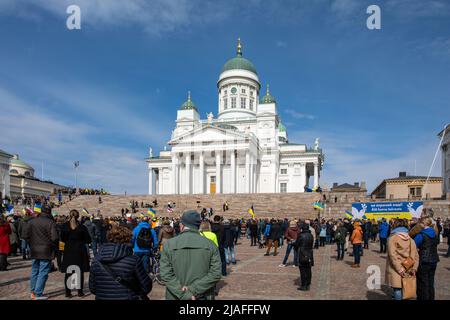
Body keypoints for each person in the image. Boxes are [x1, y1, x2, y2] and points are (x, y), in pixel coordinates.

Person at [160, 210, 222, 300]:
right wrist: (193, 290)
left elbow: (165, 274)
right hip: (202, 295)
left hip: (176, 295)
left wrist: (184, 294)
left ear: (182, 225)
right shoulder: (210, 245)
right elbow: (215, 274)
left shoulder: (169, 244)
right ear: (198, 226)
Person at [89, 225, 152, 300]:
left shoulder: (96, 260)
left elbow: (92, 288)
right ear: (128, 239)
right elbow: (146, 286)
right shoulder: (133, 260)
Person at [24, 204, 59, 300]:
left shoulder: (32, 221)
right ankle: (37, 293)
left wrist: (31, 243)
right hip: (46, 250)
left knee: (35, 270)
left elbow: (25, 235)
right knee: (43, 271)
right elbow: (55, 238)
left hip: (35, 249)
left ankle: (33, 292)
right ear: (49, 212)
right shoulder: (51, 222)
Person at [60, 210, 91, 298]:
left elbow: (62, 239)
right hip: (79, 250)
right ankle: (80, 292)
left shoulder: (65, 226)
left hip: (69, 250)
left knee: (69, 271)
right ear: (78, 216)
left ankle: (68, 292)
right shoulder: (82, 227)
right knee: (79, 271)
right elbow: (88, 240)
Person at [386, 219, 419, 300]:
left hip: (396, 267)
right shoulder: (411, 239)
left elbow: (392, 255)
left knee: (397, 289)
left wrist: (399, 269)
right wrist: (414, 268)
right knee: (405, 288)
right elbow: (416, 255)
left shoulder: (393, 238)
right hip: (408, 266)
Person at [413, 217, 440, 300]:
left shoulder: (421, 235)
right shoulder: (435, 233)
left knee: (422, 283)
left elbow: (414, 245)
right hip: (434, 260)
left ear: (423, 224)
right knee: (431, 282)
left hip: (423, 260)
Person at [294, 224, 314, 291]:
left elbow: (296, 245)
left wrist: (296, 249)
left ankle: (303, 285)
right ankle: (308, 284)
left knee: (302, 271)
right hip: (309, 253)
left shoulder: (301, 235)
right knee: (308, 270)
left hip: (302, 254)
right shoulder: (311, 235)